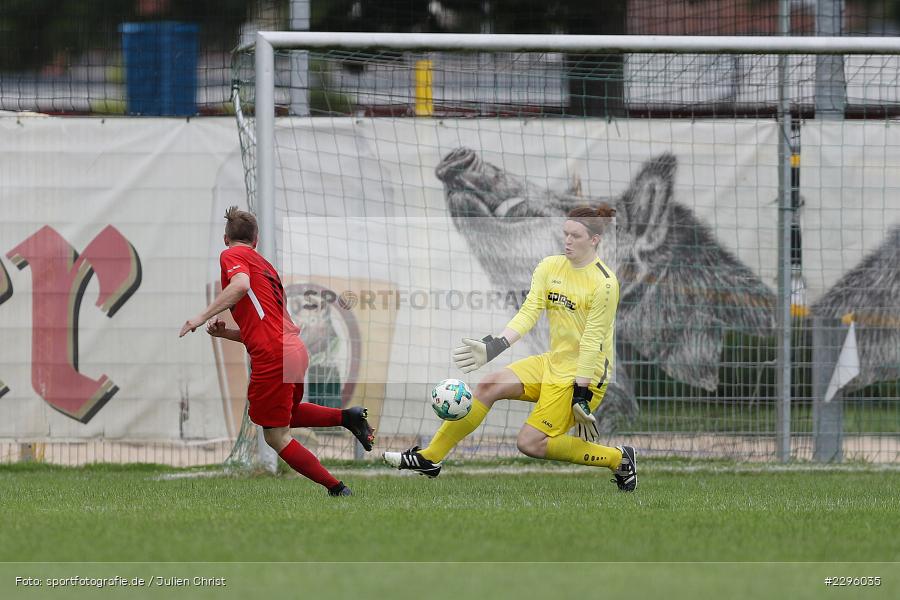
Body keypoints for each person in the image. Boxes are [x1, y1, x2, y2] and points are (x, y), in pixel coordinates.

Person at [384, 205, 637, 491]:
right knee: (488, 385)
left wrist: (581, 394)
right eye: (565, 233)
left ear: (594, 240)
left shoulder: (605, 283)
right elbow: (529, 312)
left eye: (575, 235)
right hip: (552, 362)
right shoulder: (550, 266)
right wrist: (495, 345)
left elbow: (592, 341)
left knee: (530, 443)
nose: (567, 240)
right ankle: (430, 458)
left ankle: (619, 458)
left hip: (584, 373)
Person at [180, 206, 375, 496]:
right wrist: (226, 333)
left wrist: (199, 317)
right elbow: (262, 328)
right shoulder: (266, 267)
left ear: (225, 238)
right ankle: (348, 417)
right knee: (288, 413)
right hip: (293, 349)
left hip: (274, 356)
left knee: (275, 434)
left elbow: (240, 285)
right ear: (256, 240)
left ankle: (337, 488)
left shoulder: (232, 255)